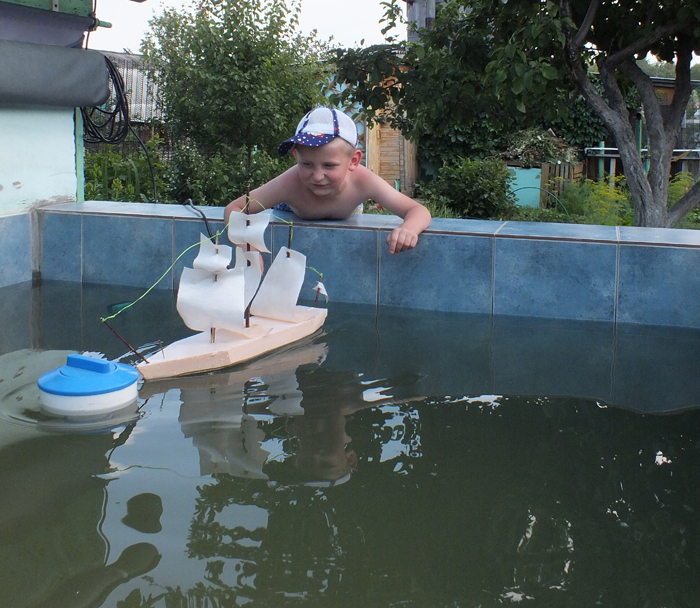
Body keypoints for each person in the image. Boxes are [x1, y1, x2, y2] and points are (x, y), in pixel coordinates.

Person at [224, 107, 432, 254]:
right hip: (290, 208)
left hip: (350, 209)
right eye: (307, 164)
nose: (317, 176)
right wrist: (245, 244)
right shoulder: (290, 183)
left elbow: (418, 210)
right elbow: (235, 208)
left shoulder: (363, 181)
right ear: (296, 157)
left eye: (329, 166)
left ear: (353, 161)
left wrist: (409, 229)